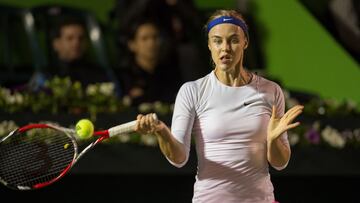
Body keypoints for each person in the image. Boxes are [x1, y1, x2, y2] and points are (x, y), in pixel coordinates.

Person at [134, 9, 304, 203]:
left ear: (245, 43)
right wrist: (162, 131)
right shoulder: (192, 91)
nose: (225, 48)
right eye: (217, 40)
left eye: (233, 40)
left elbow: (280, 163)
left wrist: (273, 140)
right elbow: (178, 158)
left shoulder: (271, 91)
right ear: (209, 45)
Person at [29, 16, 110, 90]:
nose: (76, 43)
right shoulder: (45, 76)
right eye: (70, 38)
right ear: (56, 44)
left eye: (81, 38)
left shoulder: (100, 74)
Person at [117, 18, 183, 105]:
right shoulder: (124, 77)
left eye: (155, 37)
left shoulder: (170, 72)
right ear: (132, 45)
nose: (151, 43)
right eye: (145, 39)